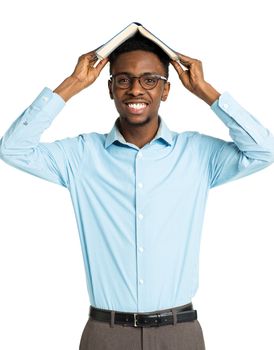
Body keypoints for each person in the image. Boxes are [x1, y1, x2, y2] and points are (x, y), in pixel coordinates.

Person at [1, 33, 274, 350]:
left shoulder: (199, 154)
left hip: (179, 333)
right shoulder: (80, 156)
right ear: (110, 88)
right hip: (106, 332)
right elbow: (13, 149)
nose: (135, 90)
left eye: (150, 80)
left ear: (166, 89)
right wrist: (73, 82)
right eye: (123, 80)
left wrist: (206, 91)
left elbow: (263, 151)